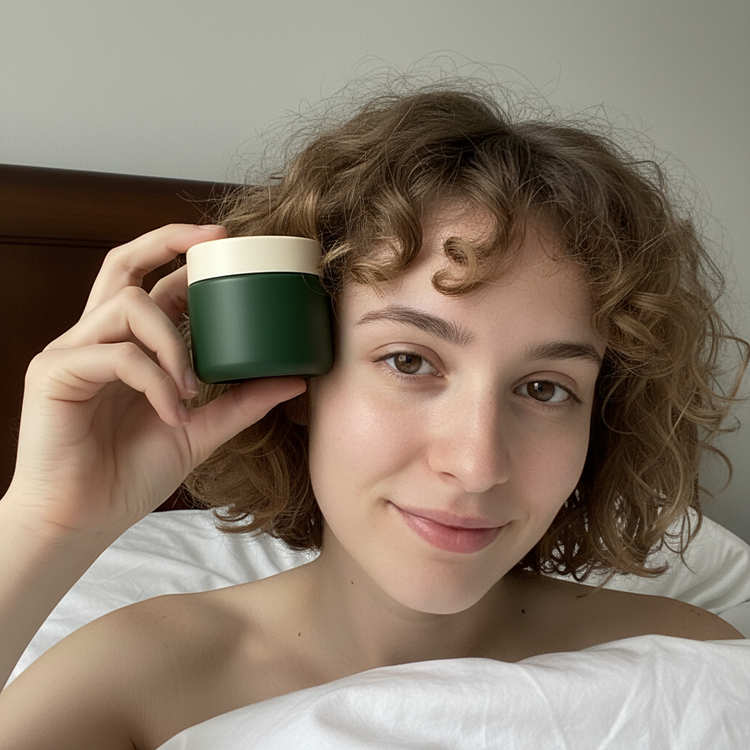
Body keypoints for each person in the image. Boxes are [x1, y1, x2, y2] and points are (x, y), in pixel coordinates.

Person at [0, 82, 746, 749]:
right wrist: (47, 522)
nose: (477, 465)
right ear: (300, 378)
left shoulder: (685, 664)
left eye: (545, 388)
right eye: (410, 361)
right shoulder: (136, 677)